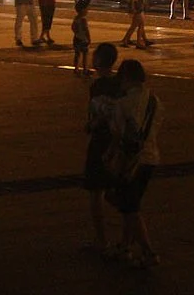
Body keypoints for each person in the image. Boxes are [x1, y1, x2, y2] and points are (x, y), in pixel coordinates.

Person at [104, 59, 163, 269]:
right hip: (151, 157)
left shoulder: (123, 104)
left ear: (126, 79)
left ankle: (149, 252)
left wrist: (109, 155)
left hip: (131, 161)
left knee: (130, 208)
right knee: (131, 203)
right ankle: (125, 246)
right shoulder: (155, 101)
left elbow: (117, 133)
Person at [83, 43, 124, 258]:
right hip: (118, 142)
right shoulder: (119, 85)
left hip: (102, 141)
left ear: (99, 60)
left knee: (95, 191)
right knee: (116, 189)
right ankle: (126, 239)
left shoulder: (98, 86)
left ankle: (101, 240)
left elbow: (98, 114)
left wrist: (92, 124)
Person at [72, 0, 95, 70]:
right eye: (86, 9)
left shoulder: (76, 18)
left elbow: (73, 27)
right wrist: (89, 38)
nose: (87, 11)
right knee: (85, 54)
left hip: (76, 38)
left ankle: (76, 68)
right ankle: (85, 69)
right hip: (83, 39)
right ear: (82, 10)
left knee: (77, 54)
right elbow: (86, 30)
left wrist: (76, 32)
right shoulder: (83, 20)